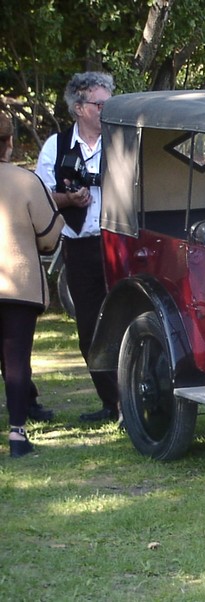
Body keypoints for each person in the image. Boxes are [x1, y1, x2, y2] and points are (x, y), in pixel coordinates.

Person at [34, 71, 121, 423]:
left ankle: (129, 400)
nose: (105, 110)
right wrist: (68, 198)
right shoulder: (56, 146)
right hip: (81, 246)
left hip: (119, 242)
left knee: (126, 318)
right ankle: (109, 401)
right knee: (89, 326)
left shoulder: (121, 140)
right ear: (79, 108)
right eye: (100, 104)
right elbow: (40, 196)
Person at [0, 112, 64, 456]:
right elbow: (50, 235)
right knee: (16, 360)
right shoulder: (25, 181)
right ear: (9, 142)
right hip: (19, 285)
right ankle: (17, 435)